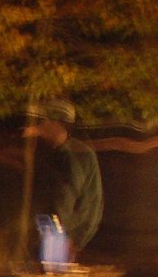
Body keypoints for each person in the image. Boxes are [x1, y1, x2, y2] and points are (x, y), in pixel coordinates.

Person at [26, 99, 103, 255]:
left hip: (60, 242)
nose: (39, 125)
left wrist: (74, 241)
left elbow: (87, 204)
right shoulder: (42, 152)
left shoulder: (78, 155)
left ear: (55, 123)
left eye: (43, 121)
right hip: (39, 240)